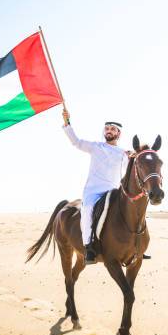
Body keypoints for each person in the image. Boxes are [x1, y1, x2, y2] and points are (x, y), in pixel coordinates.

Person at [62, 108, 129, 264]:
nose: (109, 131)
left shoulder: (123, 153)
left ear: (118, 133)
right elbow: (76, 142)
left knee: (131, 208)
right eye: (107, 128)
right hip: (93, 192)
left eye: (113, 129)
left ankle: (137, 245)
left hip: (113, 191)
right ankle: (88, 247)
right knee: (88, 209)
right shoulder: (95, 147)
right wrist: (67, 122)